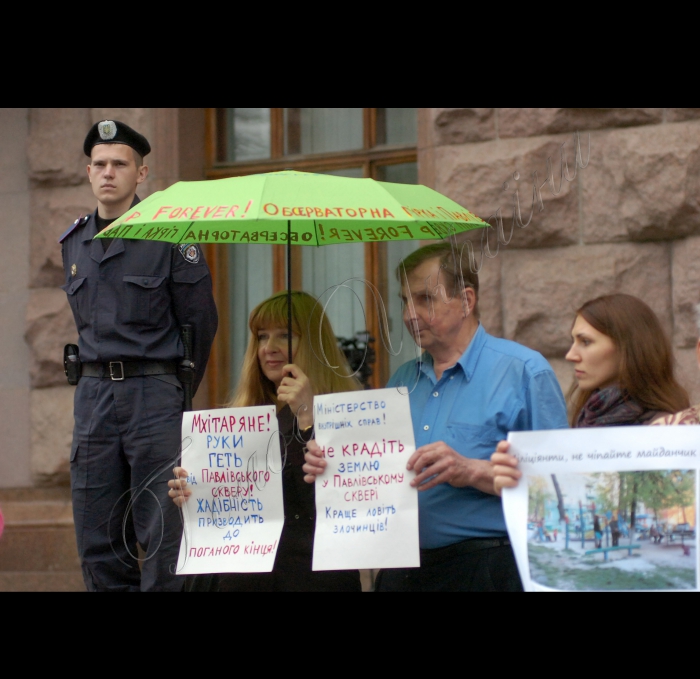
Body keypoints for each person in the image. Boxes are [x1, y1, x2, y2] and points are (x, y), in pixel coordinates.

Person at [303, 242, 569, 592]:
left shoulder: (523, 371)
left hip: (487, 567)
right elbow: (376, 472)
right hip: (404, 568)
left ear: (467, 300)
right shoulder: (402, 380)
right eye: (404, 301)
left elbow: (562, 485)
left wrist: (472, 470)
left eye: (425, 299)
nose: (409, 314)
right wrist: (331, 463)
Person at [60, 120, 218, 592]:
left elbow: (199, 324)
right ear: (89, 172)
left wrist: (173, 391)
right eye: (100, 164)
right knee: (97, 534)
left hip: (153, 395)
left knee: (164, 531)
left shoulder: (171, 236)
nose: (109, 173)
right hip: (92, 400)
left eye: (120, 164)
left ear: (141, 173)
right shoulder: (73, 243)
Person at [169, 291, 363, 592]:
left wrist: (307, 419)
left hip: (312, 579)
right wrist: (194, 491)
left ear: (313, 343)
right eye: (261, 337)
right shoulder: (239, 420)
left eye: (285, 335)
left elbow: (344, 501)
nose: (269, 348)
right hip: (243, 580)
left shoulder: (350, 412)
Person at [493, 294, 690, 496]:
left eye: (585, 342)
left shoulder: (667, 431)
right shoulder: (590, 417)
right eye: (573, 341)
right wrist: (518, 486)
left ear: (628, 348)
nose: (571, 355)